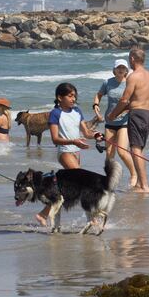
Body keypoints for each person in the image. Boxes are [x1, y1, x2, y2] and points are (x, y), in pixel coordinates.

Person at [36, 82, 102, 225]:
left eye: (74, 96)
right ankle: (92, 219)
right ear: (60, 97)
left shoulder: (77, 111)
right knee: (84, 183)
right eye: (70, 96)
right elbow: (55, 139)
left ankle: (43, 214)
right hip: (64, 152)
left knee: (69, 188)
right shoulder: (55, 113)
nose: (73, 99)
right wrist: (74, 142)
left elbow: (86, 133)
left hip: (76, 152)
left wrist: (96, 135)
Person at [108, 47, 149, 193]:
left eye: (129, 59)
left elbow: (124, 100)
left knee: (135, 150)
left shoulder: (133, 77)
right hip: (148, 114)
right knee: (139, 149)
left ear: (132, 59)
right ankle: (141, 183)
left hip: (138, 114)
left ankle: (143, 186)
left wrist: (113, 115)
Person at [93, 59, 138, 188]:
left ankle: (134, 174)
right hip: (110, 122)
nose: (120, 70)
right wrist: (96, 104)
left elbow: (134, 101)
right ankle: (110, 178)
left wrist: (127, 110)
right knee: (109, 153)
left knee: (122, 152)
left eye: (123, 68)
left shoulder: (130, 83)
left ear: (126, 70)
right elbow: (98, 95)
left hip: (124, 122)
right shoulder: (107, 82)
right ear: (114, 70)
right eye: (118, 68)